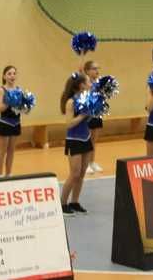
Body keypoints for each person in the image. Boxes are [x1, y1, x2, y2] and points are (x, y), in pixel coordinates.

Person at [60, 73, 91, 217]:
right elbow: (69, 123)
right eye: (88, 82)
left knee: (82, 173)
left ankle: (74, 202)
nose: (91, 84)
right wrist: (83, 115)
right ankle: (62, 203)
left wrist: (92, 112)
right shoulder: (71, 102)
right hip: (74, 140)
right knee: (74, 174)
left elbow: (87, 119)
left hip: (86, 138)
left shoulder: (87, 99)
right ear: (81, 85)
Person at [0, 65, 21, 177]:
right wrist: (9, 101)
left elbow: (20, 108)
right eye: (9, 74)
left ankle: (9, 174)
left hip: (16, 123)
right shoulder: (2, 90)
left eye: (14, 73)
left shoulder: (18, 90)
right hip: (5, 123)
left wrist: (25, 106)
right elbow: (0, 108)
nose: (12, 76)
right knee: (3, 151)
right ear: (4, 76)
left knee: (11, 151)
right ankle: (0, 175)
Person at [83, 60, 103, 174]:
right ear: (87, 71)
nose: (97, 71)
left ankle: (92, 162)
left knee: (94, 140)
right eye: (94, 69)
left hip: (97, 113)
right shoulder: (84, 82)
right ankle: (85, 164)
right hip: (87, 114)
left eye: (98, 68)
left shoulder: (99, 83)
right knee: (88, 140)